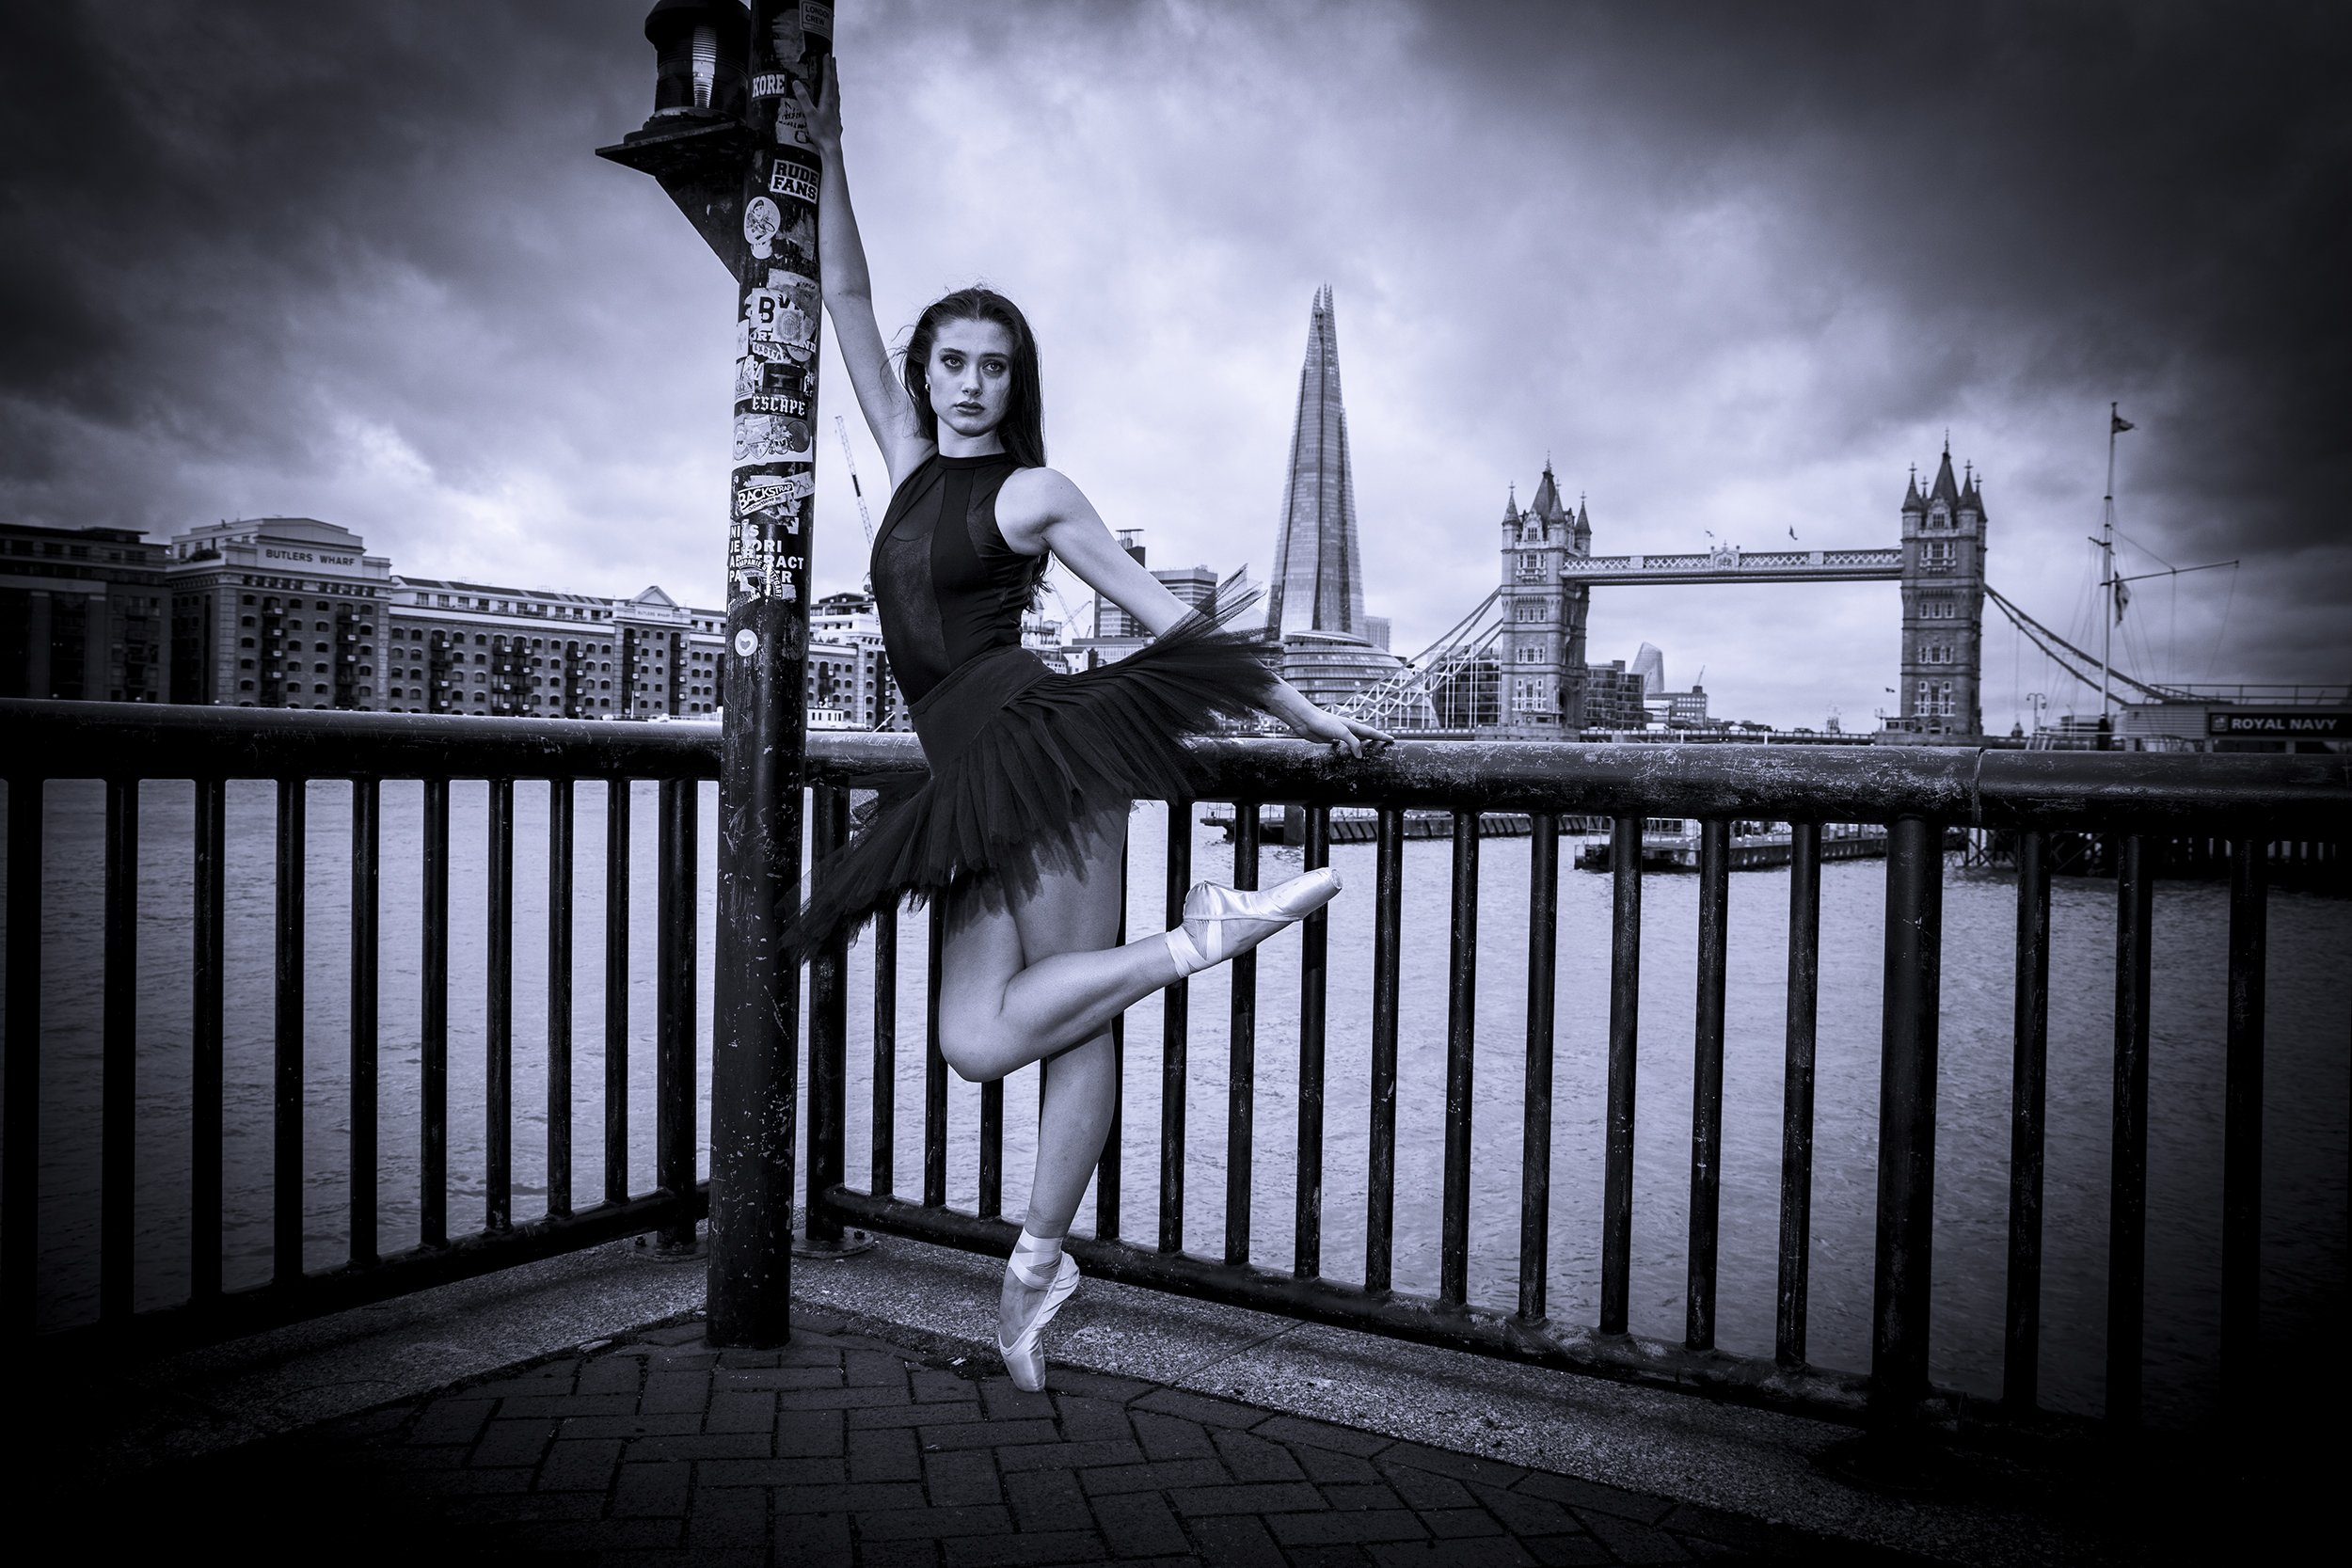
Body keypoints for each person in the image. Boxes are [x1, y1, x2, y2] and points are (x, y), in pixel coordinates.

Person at [788, 60, 1392, 1392]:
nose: (968, 385)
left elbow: (1163, 617)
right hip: (966, 774)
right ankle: (1198, 940)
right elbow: (845, 295)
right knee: (976, 1042)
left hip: (1045, 754)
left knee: (1072, 1029)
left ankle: (1030, 1273)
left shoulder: (1035, 492)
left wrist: (1299, 716)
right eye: (952, 363)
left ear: (1018, 385)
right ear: (926, 374)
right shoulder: (905, 459)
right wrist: (824, 146)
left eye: (994, 369)